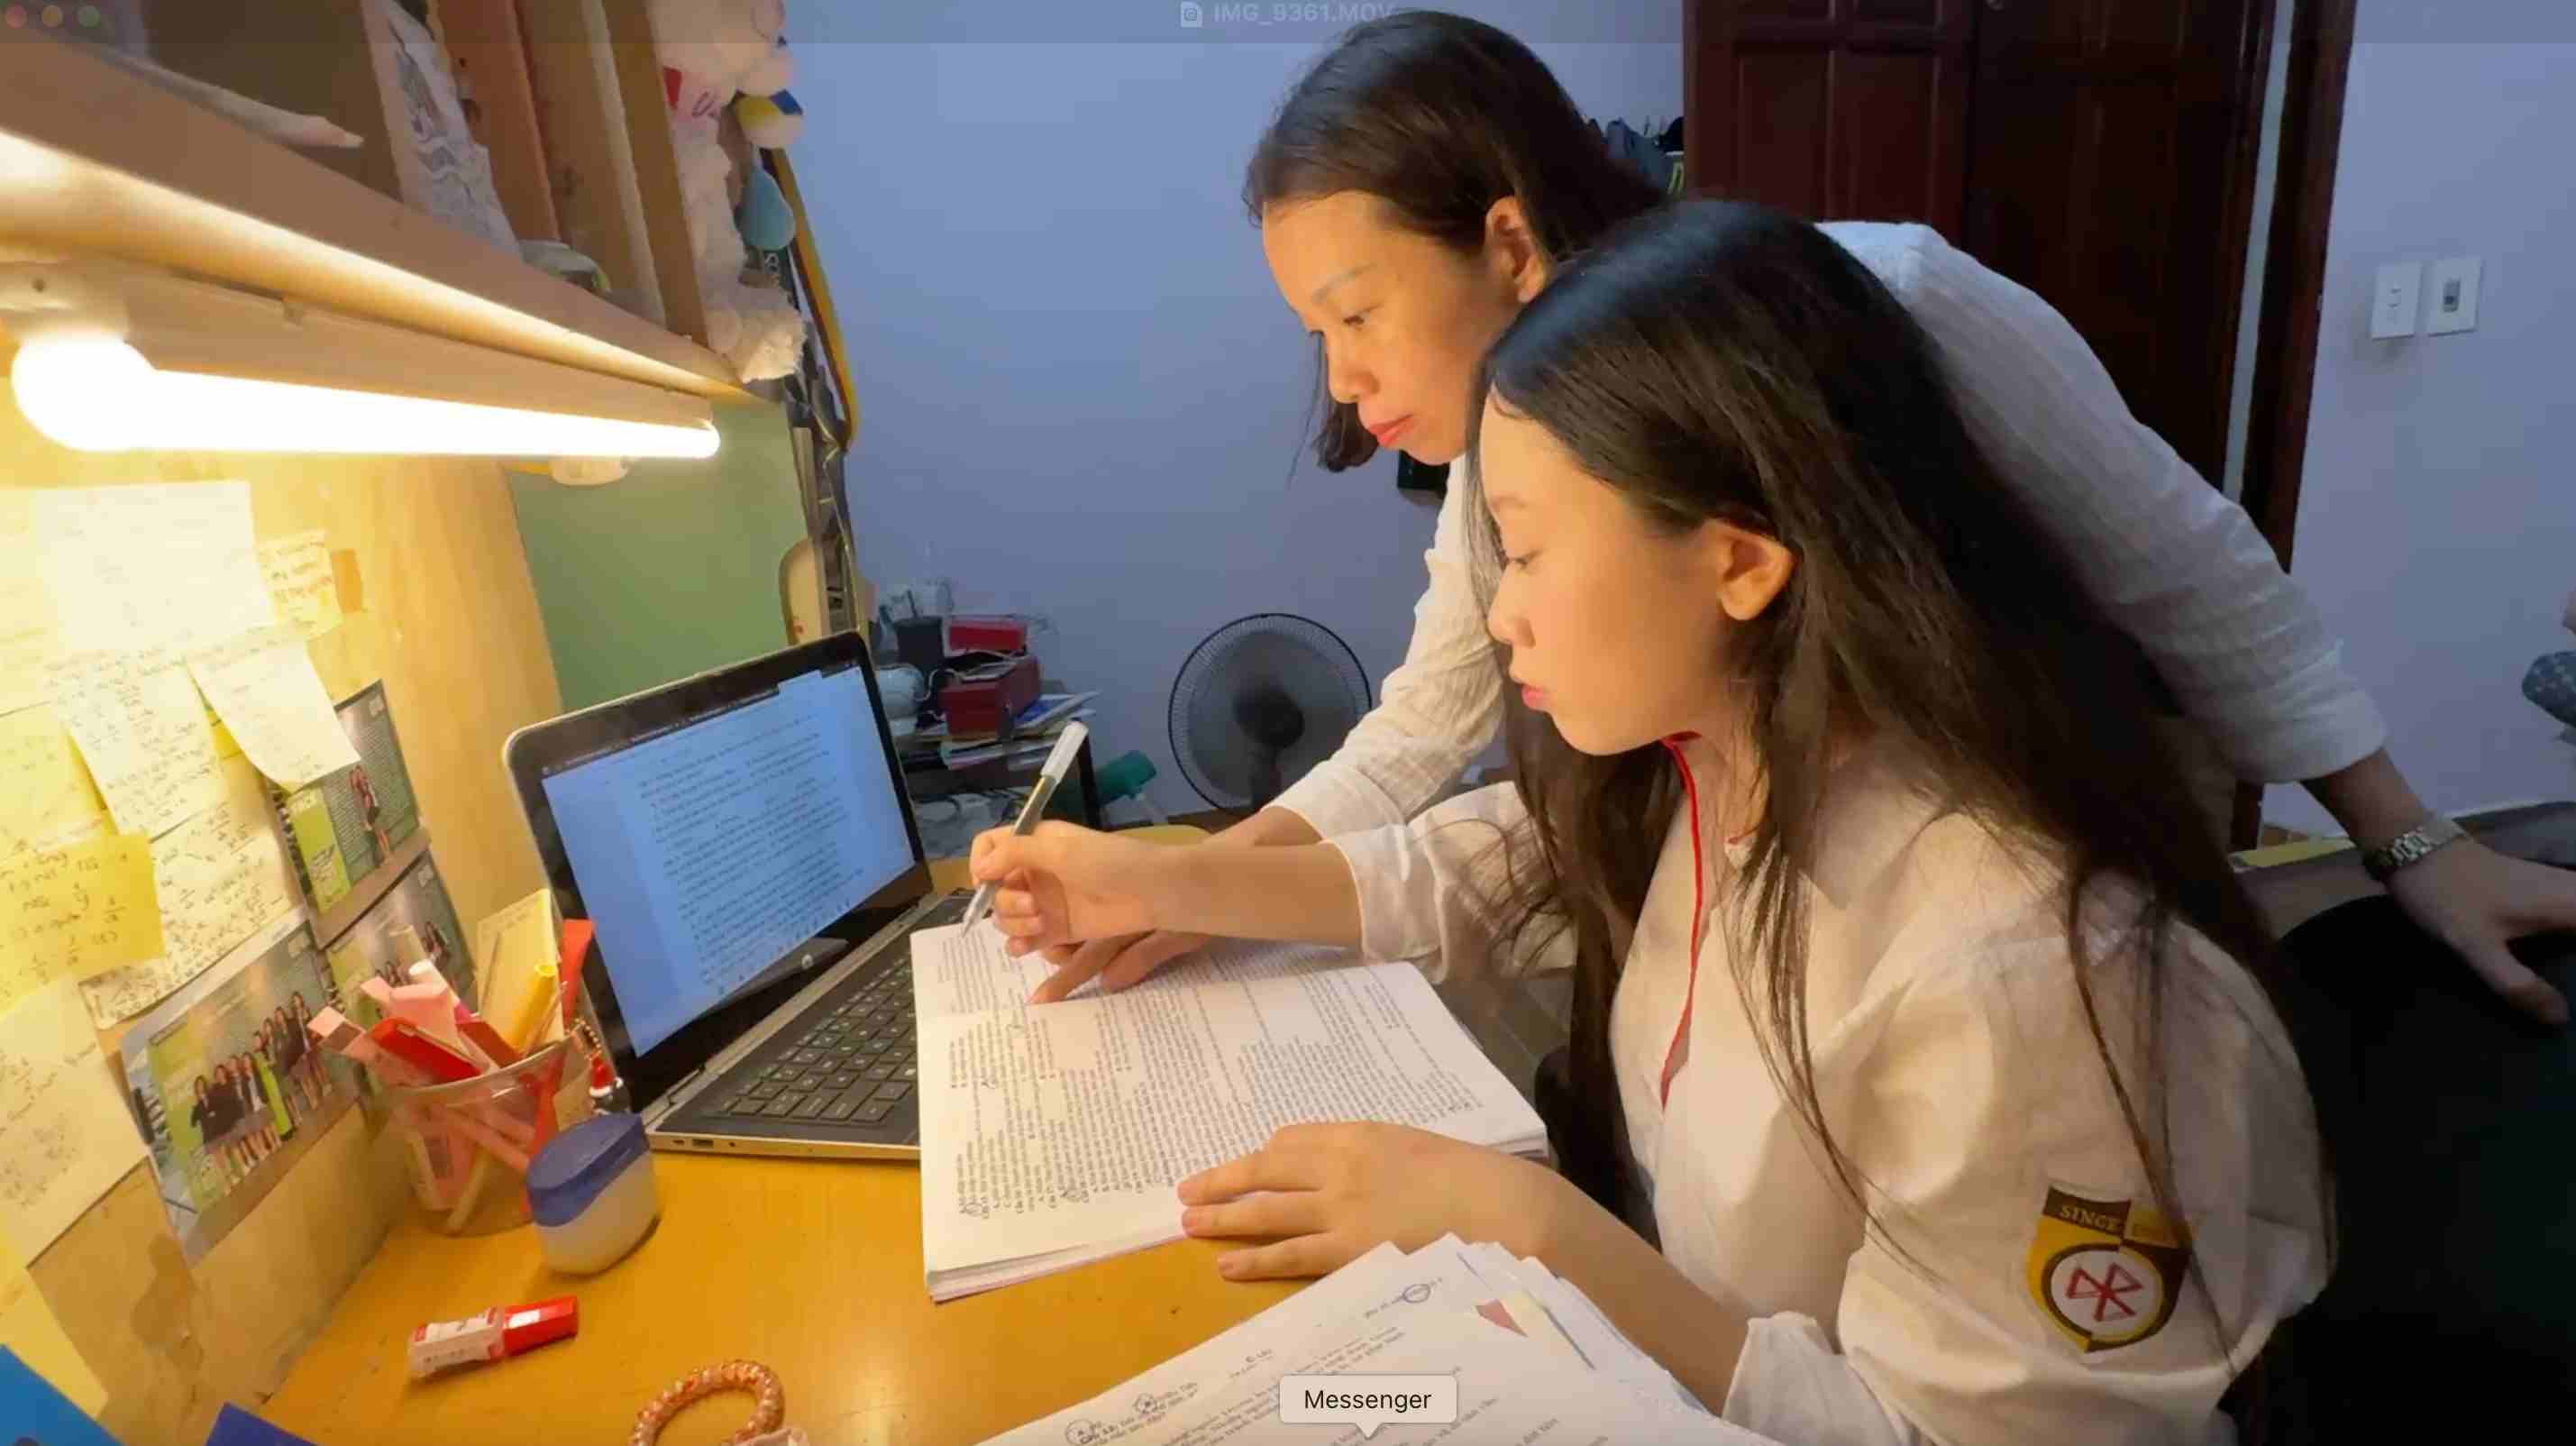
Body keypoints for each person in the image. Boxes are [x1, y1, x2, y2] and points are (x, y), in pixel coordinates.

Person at [974, 200, 2327, 1441]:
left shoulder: (2029, 977)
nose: (1498, 613)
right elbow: (1469, 866)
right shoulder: (1708, 764)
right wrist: (1154, 887)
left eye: (1531, 547)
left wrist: (1526, 1227)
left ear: (1738, 559)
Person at [1031, 11, 2576, 1025]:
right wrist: (1194, 879)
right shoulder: (1526, 438)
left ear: (1506, 238)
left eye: (1352, 314)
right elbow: (1427, 737)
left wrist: (2404, 836)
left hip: (2007, 898)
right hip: (1790, 938)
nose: (1346, 380)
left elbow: (2186, 566)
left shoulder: (1874, 301)